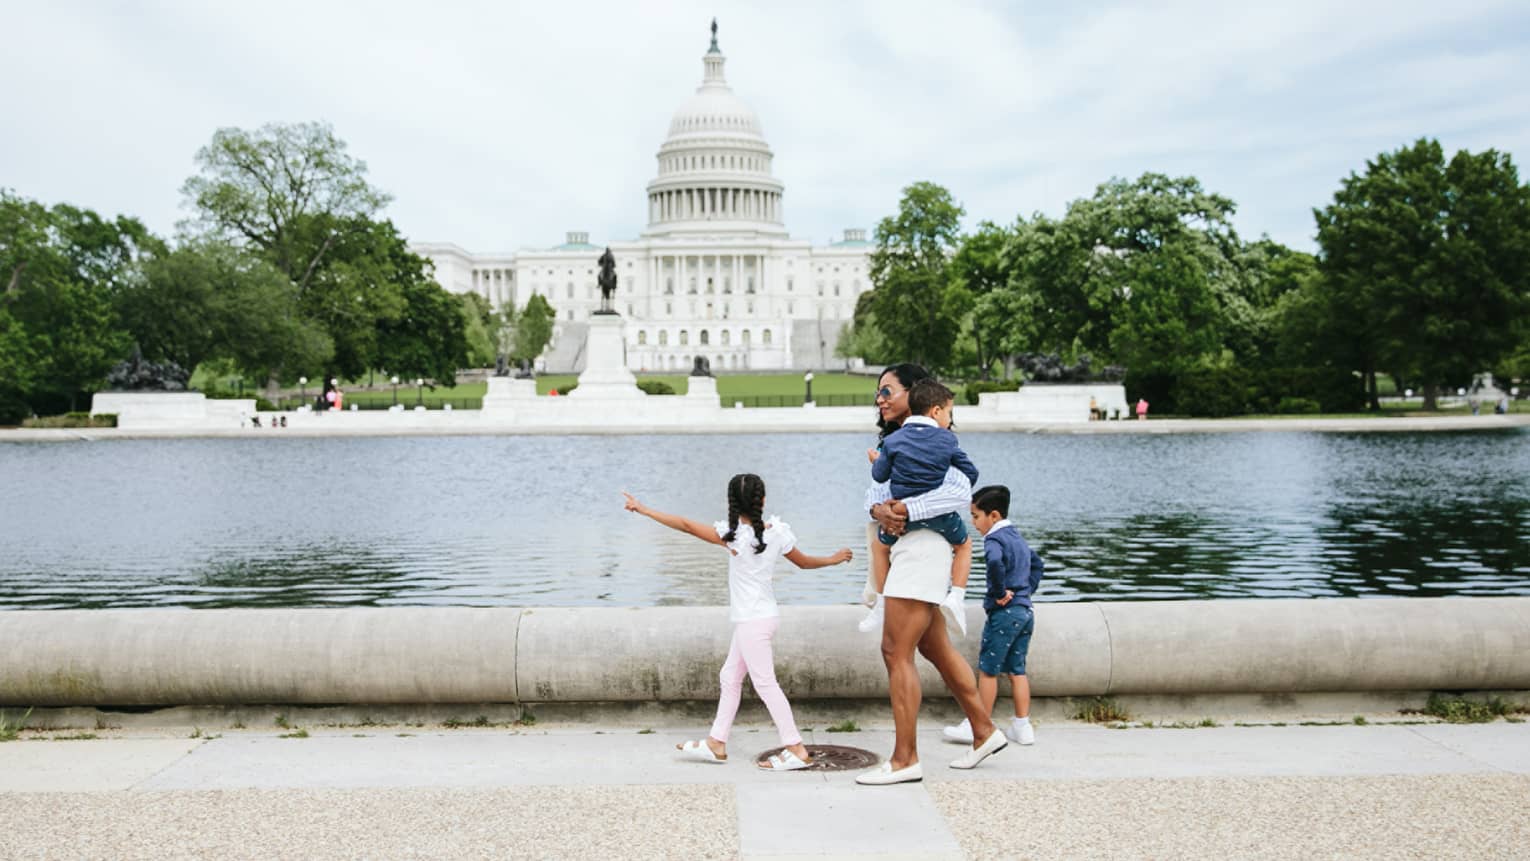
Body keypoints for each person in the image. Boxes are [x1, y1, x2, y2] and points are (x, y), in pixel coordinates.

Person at [622, 475, 852, 772]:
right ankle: (716, 742)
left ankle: (796, 748)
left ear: (731, 504)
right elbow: (804, 563)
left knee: (765, 683)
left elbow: (686, 525)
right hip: (761, 618)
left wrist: (644, 509)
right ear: (763, 501)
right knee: (729, 676)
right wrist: (833, 559)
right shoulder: (776, 533)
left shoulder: (732, 538)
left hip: (752, 623)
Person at [856, 364, 1005, 786]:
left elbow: (959, 492)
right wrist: (879, 509)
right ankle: (984, 731)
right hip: (908, 547)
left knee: (894, 652)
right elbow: (875, 491)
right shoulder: (895, 443)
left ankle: (905, 760)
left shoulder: (941, 442)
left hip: (925, 549)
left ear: (914, 393)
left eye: (887, 390)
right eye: (877, 393)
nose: (880, 399)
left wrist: (903, 511)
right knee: (935, 649)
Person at [860, 379, 977, 633]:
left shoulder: (893, 441)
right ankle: (956, 596)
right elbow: (970, 473)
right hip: (940, 520)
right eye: (949, 413)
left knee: (879, 548)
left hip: (901, 521)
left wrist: (876, 461)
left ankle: (880, 603)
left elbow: (880, 476)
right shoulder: (947, 441)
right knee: (965, 545)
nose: (949, 418)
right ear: (936, 411)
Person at [944, 485, 1040, 747]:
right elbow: (1037, 563)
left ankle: (979, 726)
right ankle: (1023, 726)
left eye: (976, 516)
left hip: (1004, 614)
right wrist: (1026, 590)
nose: (973, 523)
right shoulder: (1017, 536)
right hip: (1025, 611)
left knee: (988, 670)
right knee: (1017, 670)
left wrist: (999, 592)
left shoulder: (994, 540)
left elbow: (995, 562)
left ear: (993, 515)